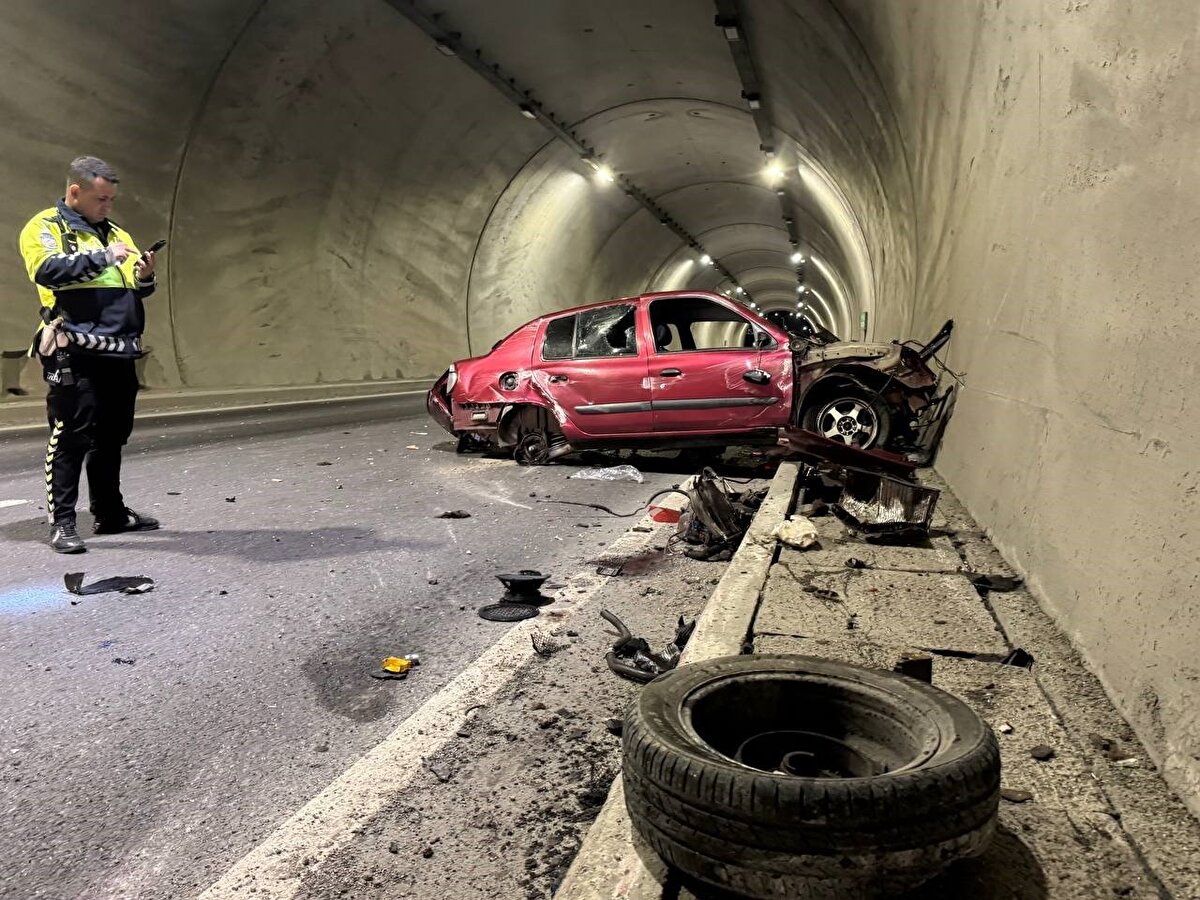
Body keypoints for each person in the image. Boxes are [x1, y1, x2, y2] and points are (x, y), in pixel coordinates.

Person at [19, 156, 161, 553]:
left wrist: (145, 276)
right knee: (70, 435)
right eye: (102, 199)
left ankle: (110, 513)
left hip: (119, 349)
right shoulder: (45, 227)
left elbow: (132, 284)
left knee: (112, 435)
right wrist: (104, 257)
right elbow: (46, 271)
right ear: (76, 192)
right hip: (73, 347)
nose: (108, 207)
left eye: (112, 199)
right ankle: (62, 522)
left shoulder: (117, 233)